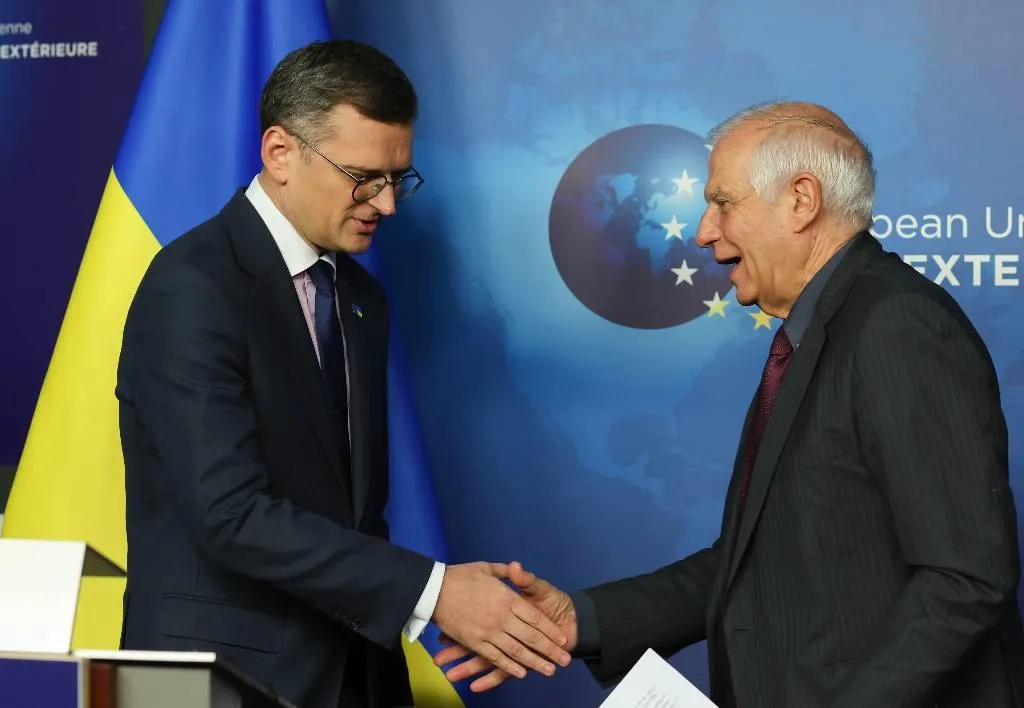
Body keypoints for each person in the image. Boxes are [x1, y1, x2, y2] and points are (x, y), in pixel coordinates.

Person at [435, 101, 1024, 708]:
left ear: (801, 200)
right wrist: (578, 620)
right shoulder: (821, 330)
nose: (704, 232)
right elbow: (757, 562)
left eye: (723, 203)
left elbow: (964, 578)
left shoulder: (896, 326)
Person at [116, 40, 570, 708]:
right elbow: (229, 514)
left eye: (398, 178)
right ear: (280, 153)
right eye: (364, 177)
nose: (386, 205)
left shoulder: (359, 296)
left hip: (355, 672)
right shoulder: (193, 286)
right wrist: (435, 592)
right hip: (218, 678)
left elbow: (350, 512)